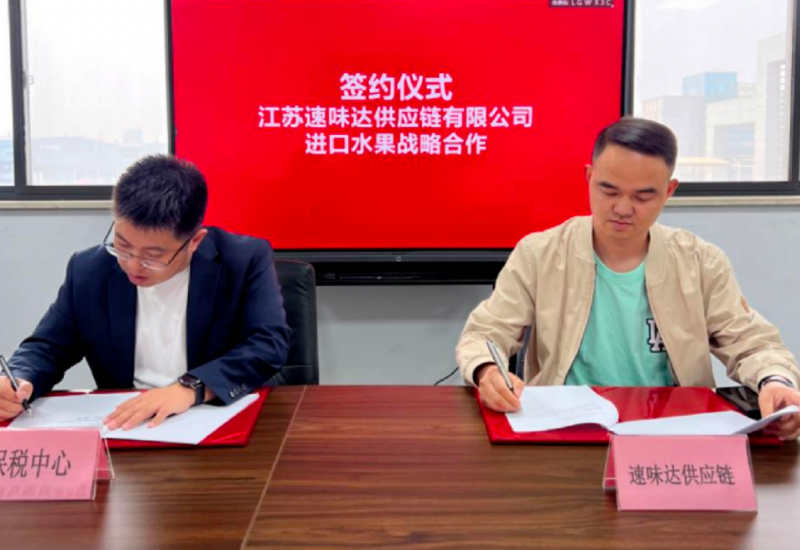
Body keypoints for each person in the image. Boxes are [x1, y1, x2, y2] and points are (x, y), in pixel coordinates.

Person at [456, 117, 800, 440]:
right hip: (568, 431)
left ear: (669, 190)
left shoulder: (700, 262)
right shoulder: (540, 254)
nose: (622, 208)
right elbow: (485, 333)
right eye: (609, 190)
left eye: (642, 196)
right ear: (588, 177)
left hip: (675, 431)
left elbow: (753, 344)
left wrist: (776, 383)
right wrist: (487, 370)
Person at [0, 155, 289, 429]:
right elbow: (48, 347)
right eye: (123, 246)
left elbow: (267, 344)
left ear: (194, 242)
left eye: (153, 256)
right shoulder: (90, 269)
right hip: (129, 425)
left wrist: (191, 388)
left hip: (215, 416)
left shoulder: (242, 261)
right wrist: (19, 379)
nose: (132, 265)